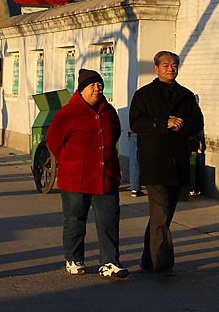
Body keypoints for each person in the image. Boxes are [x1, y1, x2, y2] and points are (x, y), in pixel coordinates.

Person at [46, 68, 128, 279]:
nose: (97, 89)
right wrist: (70, 161)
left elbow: (115, 135)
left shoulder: (109, 112)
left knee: (109, 220)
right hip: (76, 178)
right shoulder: (68, 113)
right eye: (92, 86)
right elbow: (54, 141)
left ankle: (110, 262)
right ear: (82, 90)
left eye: (100, 85)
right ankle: (74, 258)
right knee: (75, 219)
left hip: (105, 176)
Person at [129, 51, 204, 277]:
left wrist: (183, 125)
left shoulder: (186, 95)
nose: (170, 68)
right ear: (156, 68)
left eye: (174, 65)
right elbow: (136, 123)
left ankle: (147, 259)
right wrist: (164, 123)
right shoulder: (144, 95)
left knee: (162, 215)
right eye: (165, 65)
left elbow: (197, 122)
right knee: (161, 212)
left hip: (178, 162)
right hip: (155, 163)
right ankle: (163, 263)